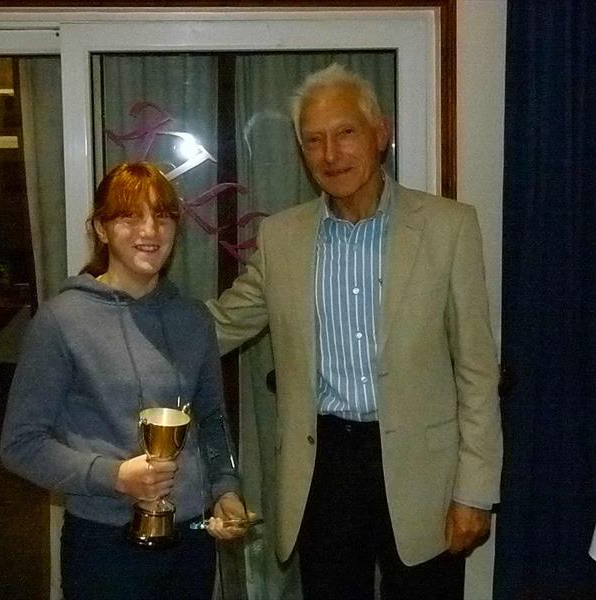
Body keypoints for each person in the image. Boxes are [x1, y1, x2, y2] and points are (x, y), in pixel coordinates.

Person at [207, 64, 502, 599]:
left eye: (345, 133)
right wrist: (127, 316)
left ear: (380, 133)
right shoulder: (282, 239)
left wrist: (475, 491)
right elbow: (221, 326)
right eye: (313, 140)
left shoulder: (449, 227)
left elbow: (477, 371)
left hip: (423, 474)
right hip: (324, 470)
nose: (330, 154)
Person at [1, 162, 249, 600]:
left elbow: (211, 419)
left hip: (191, 537)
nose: (149, 230)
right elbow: (20, 446)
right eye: (129, 216)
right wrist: (114, 476)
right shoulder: (61, 322)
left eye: (163, 216)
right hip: (104, 542)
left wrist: (225, 490)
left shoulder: (193, 320)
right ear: (100, 227)